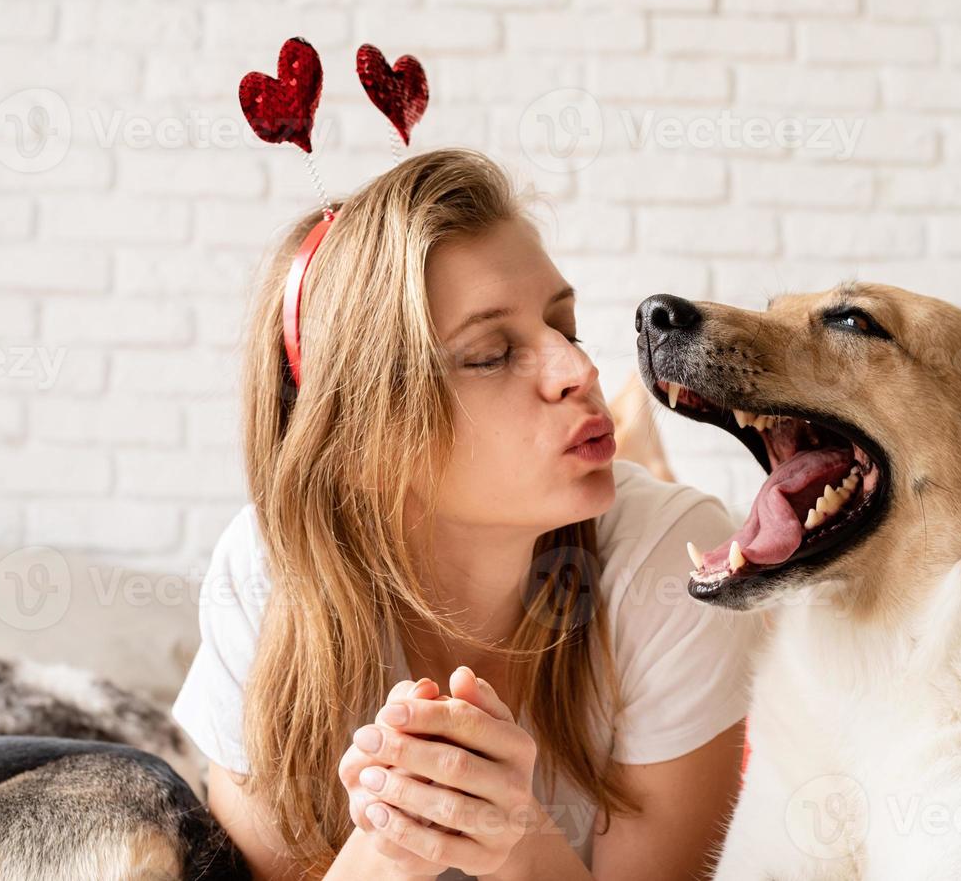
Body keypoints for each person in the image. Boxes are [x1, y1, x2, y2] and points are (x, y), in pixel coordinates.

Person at [170, 147, 764, 880]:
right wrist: (395, 842)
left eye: (565, 327)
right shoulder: (265, 574)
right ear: (363, 442)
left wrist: (513, 835)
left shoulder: (678, 560)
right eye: (489, 354)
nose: (578, 371)